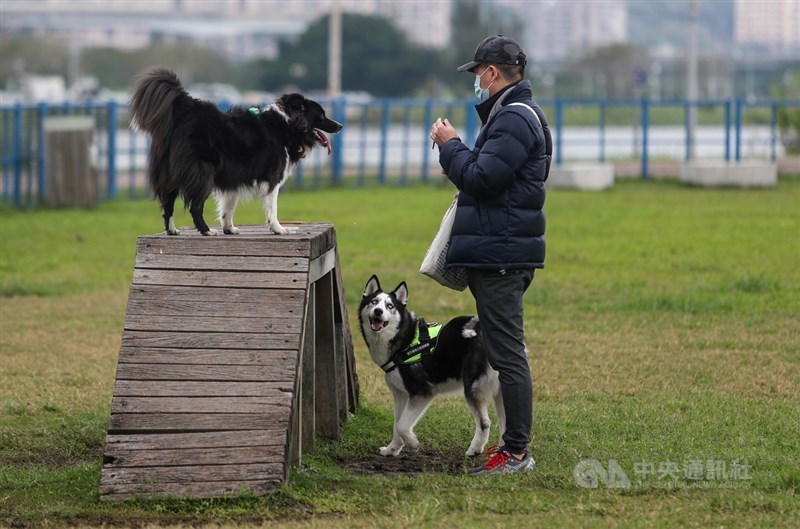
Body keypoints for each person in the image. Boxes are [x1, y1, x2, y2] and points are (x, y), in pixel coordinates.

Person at [429, 35, 551, 476]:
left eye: (478, 72)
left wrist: (450, 145)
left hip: (502, 255)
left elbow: (481, 179)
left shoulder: (514, 120)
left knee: (507, 354)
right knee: (505, 350)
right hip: (501, 249)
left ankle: (516, 452)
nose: (476, 80)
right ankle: (514, 448)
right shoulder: (512, 116)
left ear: (493, 73)